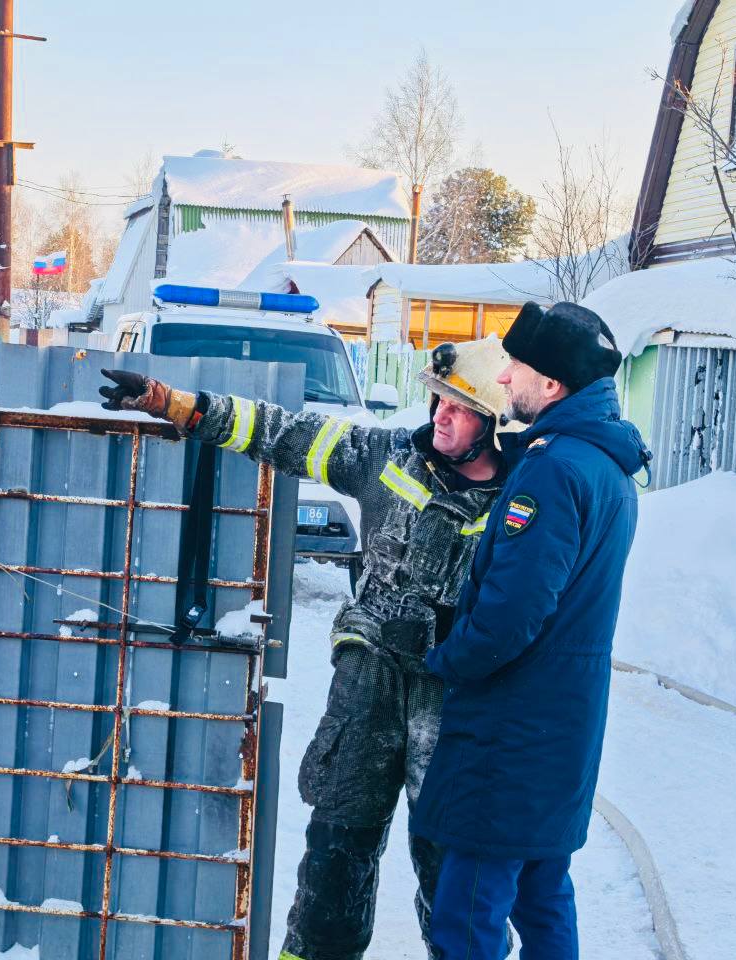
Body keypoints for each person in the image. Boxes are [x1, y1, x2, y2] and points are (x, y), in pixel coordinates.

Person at [100, 338, 517, 960]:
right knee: (334, 866)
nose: (441, 416)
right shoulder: (388, 459)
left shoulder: (520, 503)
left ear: (495, 427)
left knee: (456, 873)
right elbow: (288, 434)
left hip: (454, 703)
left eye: (460, 409)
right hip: (367, 689)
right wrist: (179, 405)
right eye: (439, 401)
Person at [410, 302, 651, 960]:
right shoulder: (606, 465)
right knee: (542, 895)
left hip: (511, 732)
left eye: (515, 366)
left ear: (550, 384)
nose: (503, 376)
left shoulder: (552, 470)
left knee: (468, 913)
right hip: (561, 726)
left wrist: (445, 659)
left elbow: (513, 613)